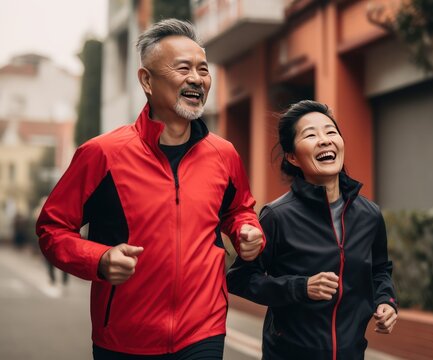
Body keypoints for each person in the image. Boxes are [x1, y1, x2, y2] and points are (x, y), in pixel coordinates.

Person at [36, 19, 264, 359]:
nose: (196, 78)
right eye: (183, 67)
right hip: (124, 338)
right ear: (146, 80)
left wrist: (248, 229)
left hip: (203, 330)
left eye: (203, 69)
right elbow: (52, 228)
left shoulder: (224, 154)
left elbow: (238, 209)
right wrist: (98, 259)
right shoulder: (102, 154)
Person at [227, 100, 398, 360]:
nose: (324, 140)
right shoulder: (277, 217)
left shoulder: (369, 215)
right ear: (292, 157)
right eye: (310, 135)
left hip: (351, 354)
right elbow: (240, 279)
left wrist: (385, 301)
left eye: (331, 132)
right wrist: (301, 287)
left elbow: (380, 270)